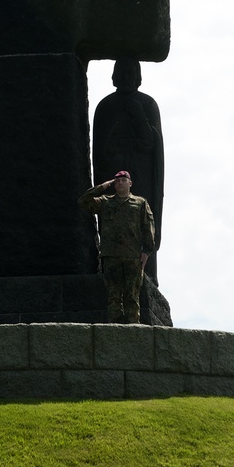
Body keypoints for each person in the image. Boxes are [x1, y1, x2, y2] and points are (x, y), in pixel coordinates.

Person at [92, 58, 164, 282]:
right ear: (113, 76)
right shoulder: (105, 107)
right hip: (114, 173)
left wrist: (138, 116)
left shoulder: (147, 104)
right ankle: (111, 272)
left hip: (141, 174)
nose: (125, 77)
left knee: (142, 222)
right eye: (121, 72)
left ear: (138, 77)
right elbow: (100, 149)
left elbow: (152, 144)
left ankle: (146, 273)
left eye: (130, 72)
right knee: (114, 223)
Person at [78, 171, 155, 324]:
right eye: (117, 180)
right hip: (111, 256)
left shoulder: (140, 203)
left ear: (130, 183)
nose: (120, 183)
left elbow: (148, 226)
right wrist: (103, 186)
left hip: (132, 256)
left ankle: (133, 328)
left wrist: (147, 251)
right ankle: (114, 329)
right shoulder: (105, 202)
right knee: (113, 296)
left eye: (123, 180)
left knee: (132, 296)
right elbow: (83, 201)